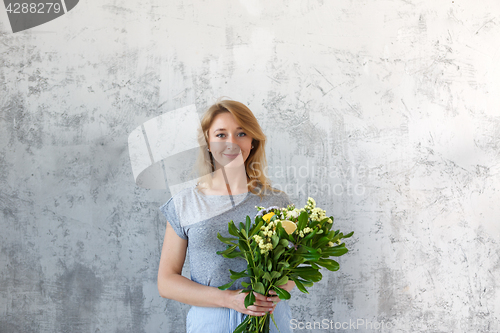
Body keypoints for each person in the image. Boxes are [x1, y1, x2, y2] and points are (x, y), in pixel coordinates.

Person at [157, 98, 296, 333]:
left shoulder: (276, 202)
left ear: (252, 142)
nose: (231, 143)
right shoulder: (185, 203)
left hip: (269, 320)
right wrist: (228, 299)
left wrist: (271, 293)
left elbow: (292, 270)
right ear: (208, 144)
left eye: (241, 133)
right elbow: (167, 282)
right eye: (221, 135)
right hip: (210, 322)